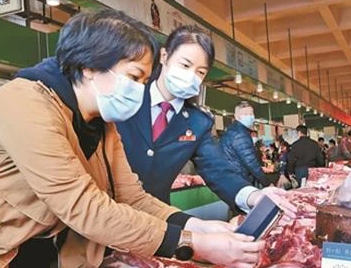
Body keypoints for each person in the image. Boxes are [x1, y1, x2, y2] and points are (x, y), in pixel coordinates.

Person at [0, 10, 264, 268]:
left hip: (19, 265)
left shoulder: (102, 125)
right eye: (133, 77)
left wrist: (200, 227)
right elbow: (83, 207)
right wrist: (195, 244)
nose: (139, 90)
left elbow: (132, 197)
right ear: (90, 67)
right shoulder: (25, 103)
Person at [116, 26, 289, 215]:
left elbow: (217, 169)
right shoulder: (127, 95)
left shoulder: (198, 122)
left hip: (156, 217)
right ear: (164, 56)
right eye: (185, 65)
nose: (191, 76)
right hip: (104, 213)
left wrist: (253, 196)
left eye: (200, 72)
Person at [220, 101, 271, 188]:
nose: (250, 116)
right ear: (237, 116)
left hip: (231, 177)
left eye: (251, 114)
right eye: (246, 114)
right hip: (239, 179)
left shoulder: (232, 130)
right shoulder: (240, 134)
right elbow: (250, 161)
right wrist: (267, 183)